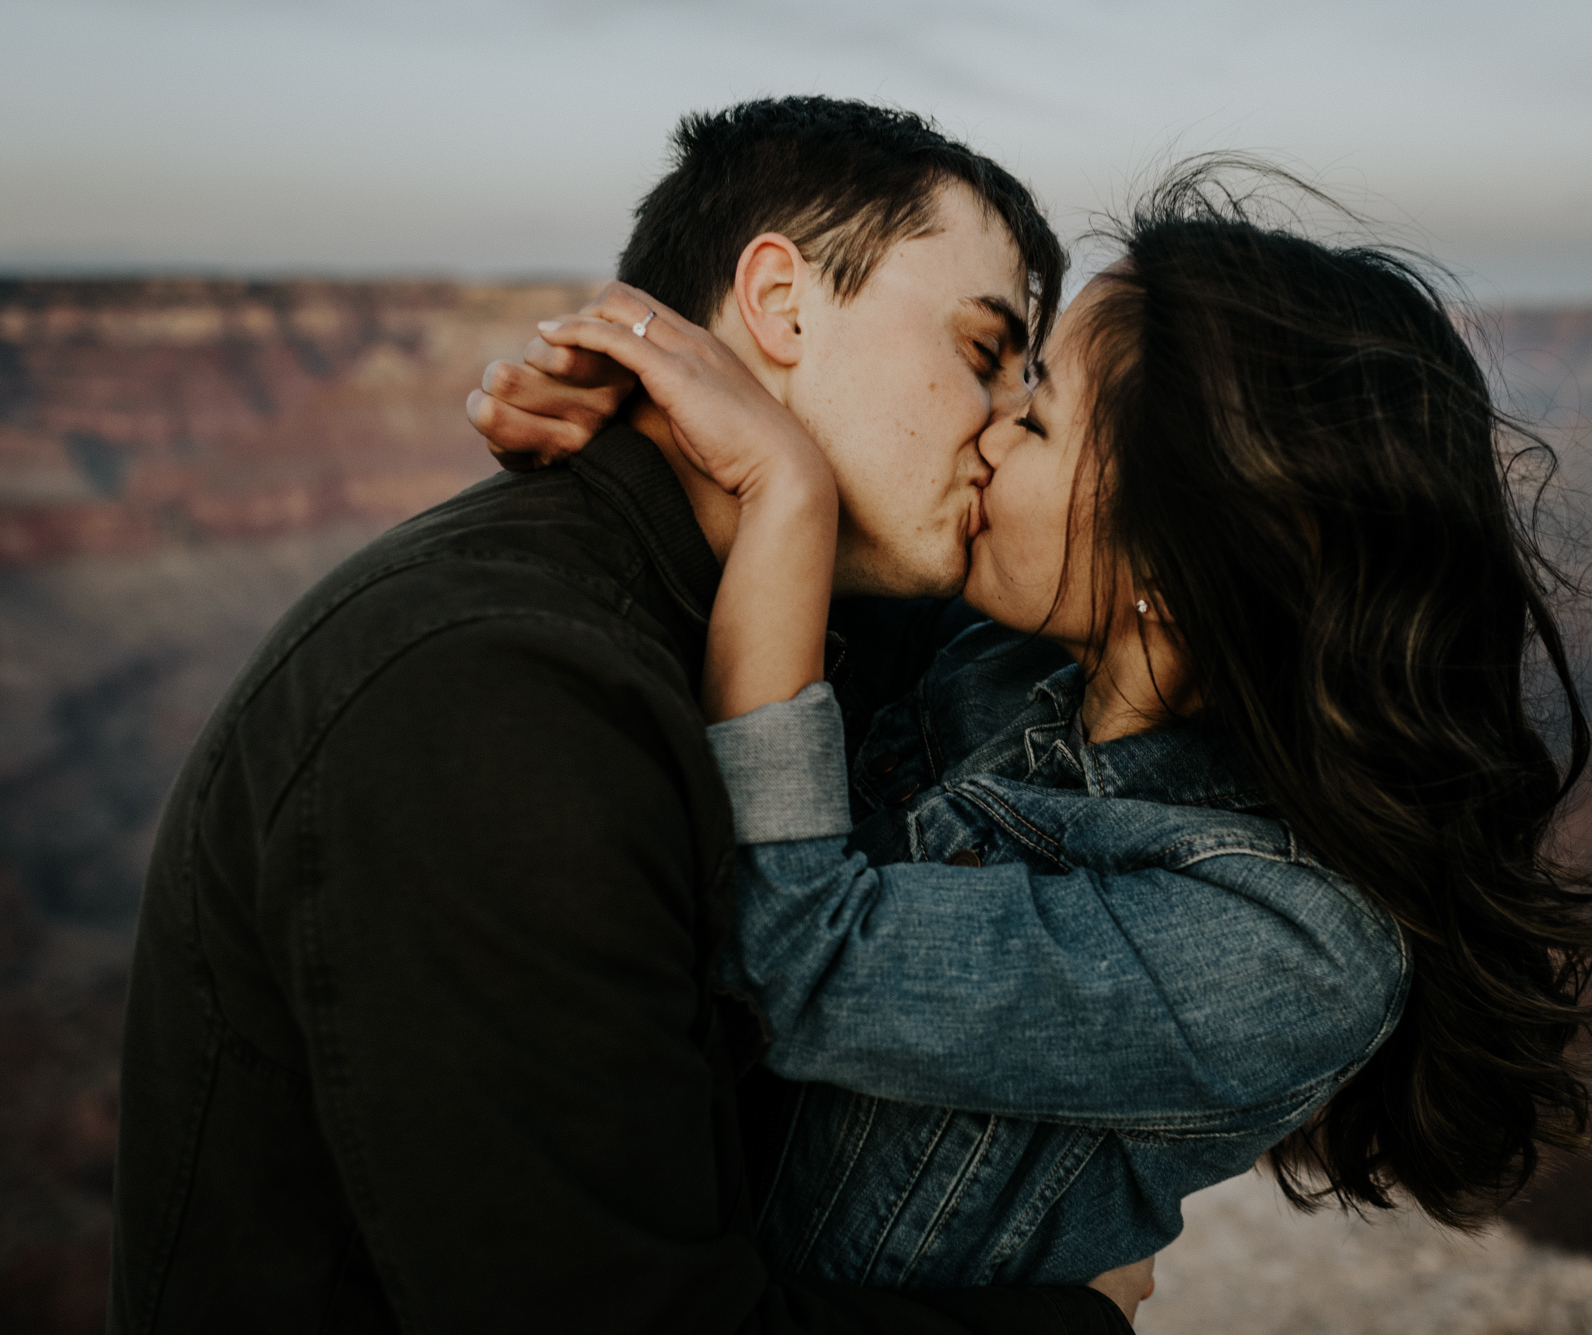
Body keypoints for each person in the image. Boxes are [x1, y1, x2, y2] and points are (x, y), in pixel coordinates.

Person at [479, 161, 1592, 1291]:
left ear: (1178, 556)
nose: (988, 429)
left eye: (1035, 418)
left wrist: (781, 490)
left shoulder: (1285, 947)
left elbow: (796, 956)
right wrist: (642, 439)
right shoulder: (1000, 664)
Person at [110, 97, 1143, 1333]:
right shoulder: (495, 696)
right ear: (780, 303)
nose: (1002, 428)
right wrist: (1072, 1323)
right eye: (981, 354)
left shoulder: (796, 618)